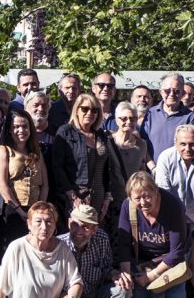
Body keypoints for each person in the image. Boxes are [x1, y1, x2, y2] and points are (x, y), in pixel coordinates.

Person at [117, 171, 192, 298]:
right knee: (139, 294)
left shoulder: (172, 205)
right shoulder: (128, 207)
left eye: (147, 196)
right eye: (137, 198)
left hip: (169, 260)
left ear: (156, 191)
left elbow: (177, 251)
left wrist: (152, 276)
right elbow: (123, 243)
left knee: (176, 296)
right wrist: (126, 273)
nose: (143, 202)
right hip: (142, 259)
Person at [0, 108, 48, 272]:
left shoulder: (36, 153)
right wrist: (19, 210)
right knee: (8, 255)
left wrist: (39, 209)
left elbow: (45, 184)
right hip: (12, 210)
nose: (21, 130)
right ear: (9, 129)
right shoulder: (4, 150)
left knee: (31, 256)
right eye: (16, 127)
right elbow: (1, 184)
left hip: (33, 211)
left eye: (25, 126)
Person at [50, 92, 114, 229]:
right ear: (77, 110)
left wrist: (107, 196)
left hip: (99, 196)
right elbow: (57, 167)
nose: (89, 113)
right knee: (77, 234)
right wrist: (72, 196)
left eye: (94, 110)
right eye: (85, 109)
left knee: (95, 234)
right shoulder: (65, 132)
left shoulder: (100, 134)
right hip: (76, 195)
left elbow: (106, 168)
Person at [141, 73, 194, 168]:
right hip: (152, 171)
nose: (172, 94)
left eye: (176, 91)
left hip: (179, 171)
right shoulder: (150, 114)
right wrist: (153, 168)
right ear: (160, 92)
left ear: (182, 93)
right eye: (167, 91)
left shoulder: (190, 117)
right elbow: (142, 144)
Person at [109, 101, 149, 213]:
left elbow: (142, 170)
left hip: (131, 200)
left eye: (133, 118)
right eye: (124, 118)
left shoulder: (141, 144)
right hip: (110, 199)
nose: (129, 122)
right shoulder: (107, 141)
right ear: (116, 120)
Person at [47, 72, 81, 136]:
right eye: (67, 88)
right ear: (59, 91)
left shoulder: (84, 109)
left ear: (79, 90)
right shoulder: (51, 110)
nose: (71, 91)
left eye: (74, 88)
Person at [23, 90, 55, 155]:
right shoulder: (19, 132)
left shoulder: (57, 133)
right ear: (25, 108)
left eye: (44, 105)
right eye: (36, 105)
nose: (40, 109)